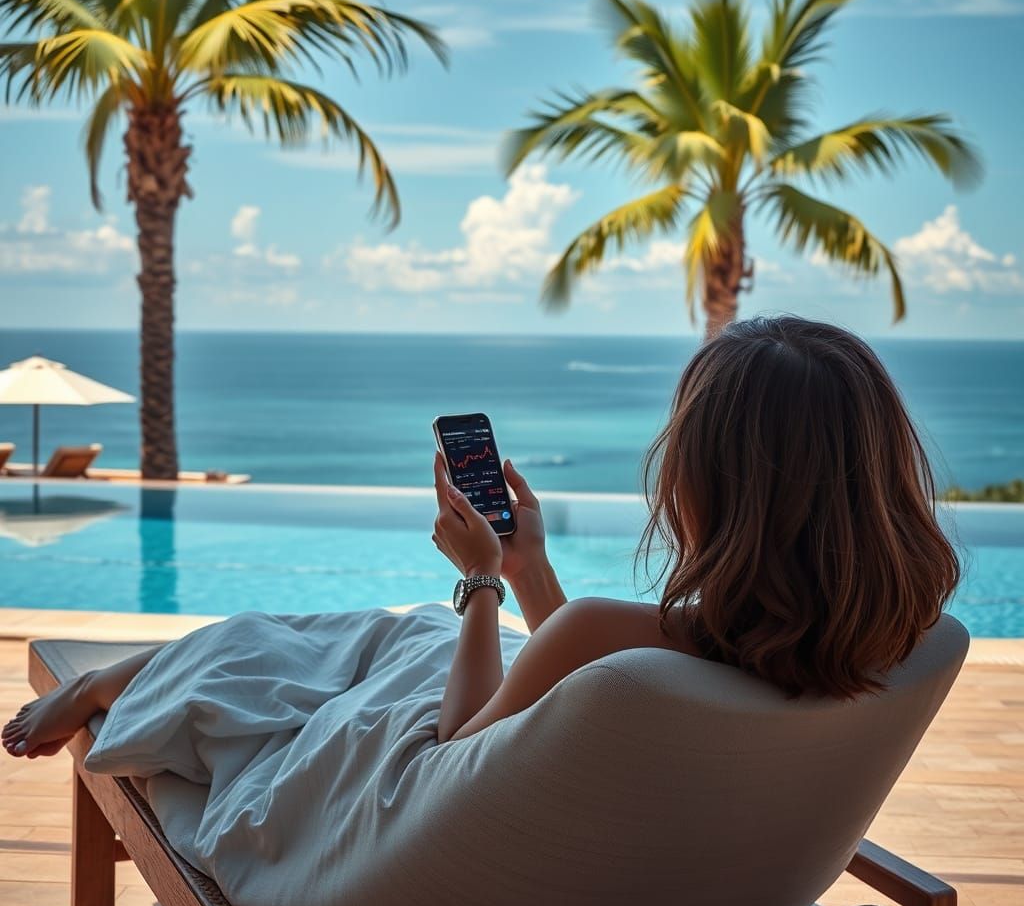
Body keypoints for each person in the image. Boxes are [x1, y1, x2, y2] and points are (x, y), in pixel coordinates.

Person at [2, 315, 960, 760]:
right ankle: (131, 676)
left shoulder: (618, 633)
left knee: (290, 645)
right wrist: (529, 566)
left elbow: (456, 747)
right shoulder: (889, 645)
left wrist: (482, 585)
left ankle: (101, 686)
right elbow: (606, 665)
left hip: (413, 832)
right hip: (704, 869)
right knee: (360, 637)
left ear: (705, 481)